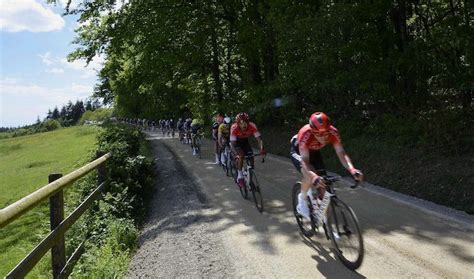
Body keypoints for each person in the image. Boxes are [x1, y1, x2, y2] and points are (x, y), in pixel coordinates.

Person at [290, 112, 364, 220]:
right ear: (312, 131)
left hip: (314, 152)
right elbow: (305, 161)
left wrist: (352, 169)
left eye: (325, 133)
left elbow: (341, 153)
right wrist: (313, 176)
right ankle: (302, 199)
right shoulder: (305, 134)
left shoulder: (333, 132)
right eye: (318, 134)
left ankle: (322, 216)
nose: (323, 137)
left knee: (324, 186)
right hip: (299, 152)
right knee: (309, 175)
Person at [230, 112, 266, 188]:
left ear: (248, 122)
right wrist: (236, 154)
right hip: (236, 143)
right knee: (241, 156)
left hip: (245, 142)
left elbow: (259, 140)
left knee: (251, 158)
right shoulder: (234, 127)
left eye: (245, 122)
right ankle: (240, 176)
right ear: (238, 123)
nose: (244, 125)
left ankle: (249, 178)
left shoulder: (252, 126)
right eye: (241, 123)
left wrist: (262, 149)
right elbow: (233, 144)